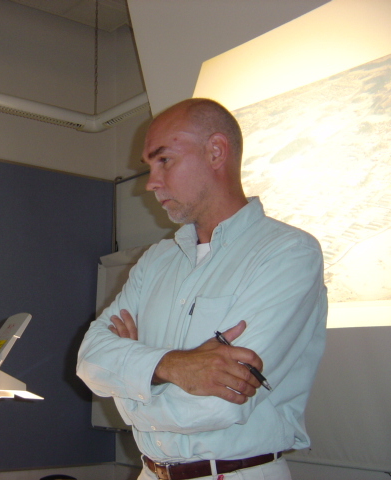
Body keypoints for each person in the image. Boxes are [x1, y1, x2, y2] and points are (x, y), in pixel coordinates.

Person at [77, 98, 327, 480]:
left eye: (164, 160)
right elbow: (90, 360)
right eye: (150, 166)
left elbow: (219, 406)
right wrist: (172, 366)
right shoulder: (156, 260)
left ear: (215, 151)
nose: (150, 183)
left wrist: (128, 384)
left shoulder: (288, 253)